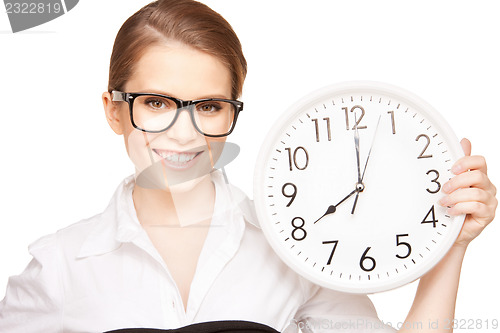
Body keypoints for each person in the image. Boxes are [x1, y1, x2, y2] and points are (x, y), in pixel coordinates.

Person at [0, 0, 497, 332]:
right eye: (156, 103)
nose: (183, 132)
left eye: (210, 106)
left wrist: (449, 247)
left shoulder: (296, 250)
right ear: (113, 109)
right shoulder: (60, 266)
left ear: (233, 112)